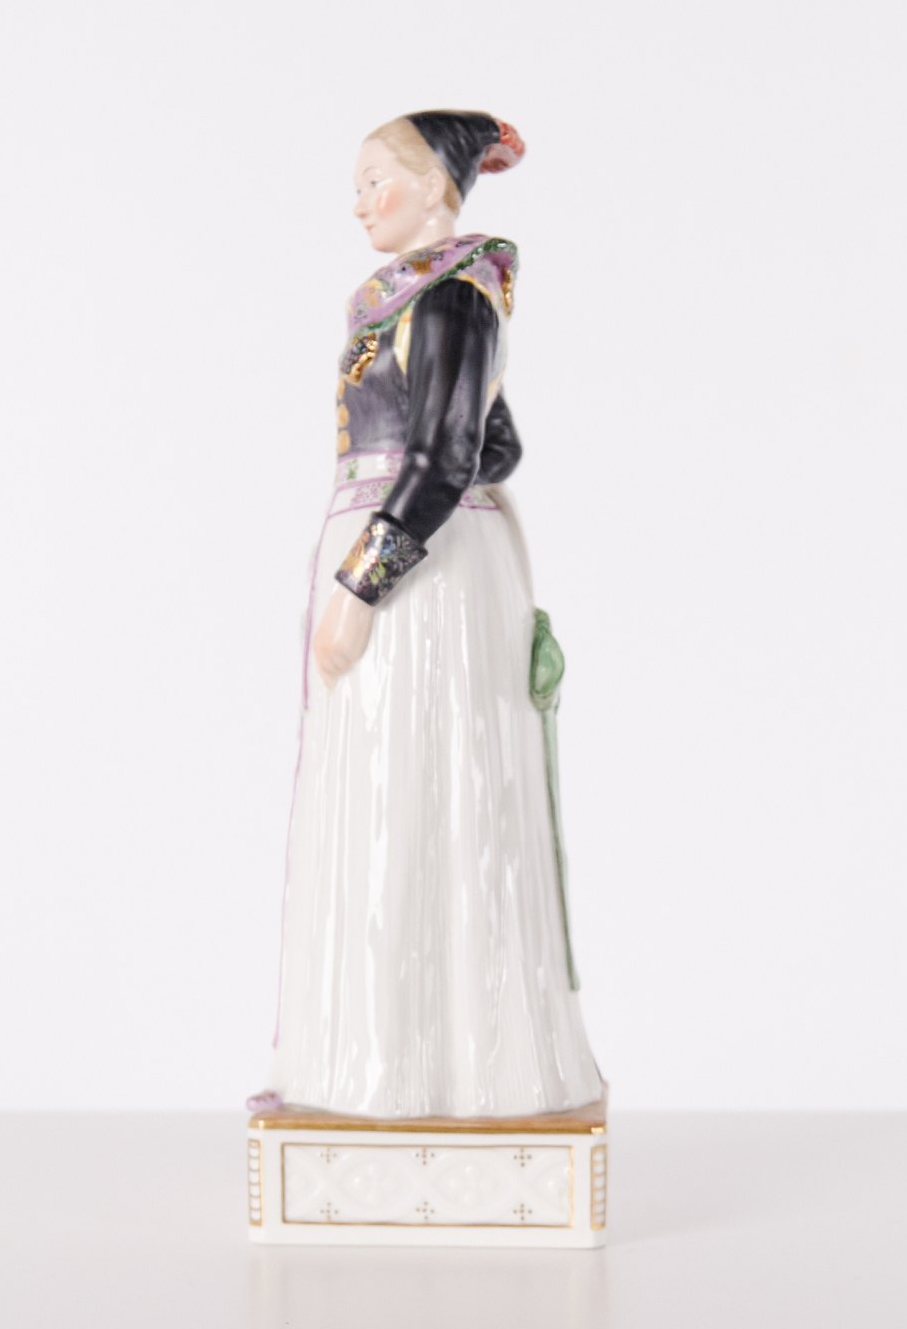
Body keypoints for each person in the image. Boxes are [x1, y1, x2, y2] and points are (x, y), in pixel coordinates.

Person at [253, 110, 604, 1119]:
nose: (362, 202)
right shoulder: (408, 301)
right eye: (357, 186)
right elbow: (499, 445)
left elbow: (452, 459)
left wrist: (361, 584)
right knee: (383, 784)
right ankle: (377, 1062)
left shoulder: (454, 295)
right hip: (411, 541)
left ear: (436, 188)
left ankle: (442, 1067)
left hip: (421, 570)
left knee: (421, 781)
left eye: (379, 179)